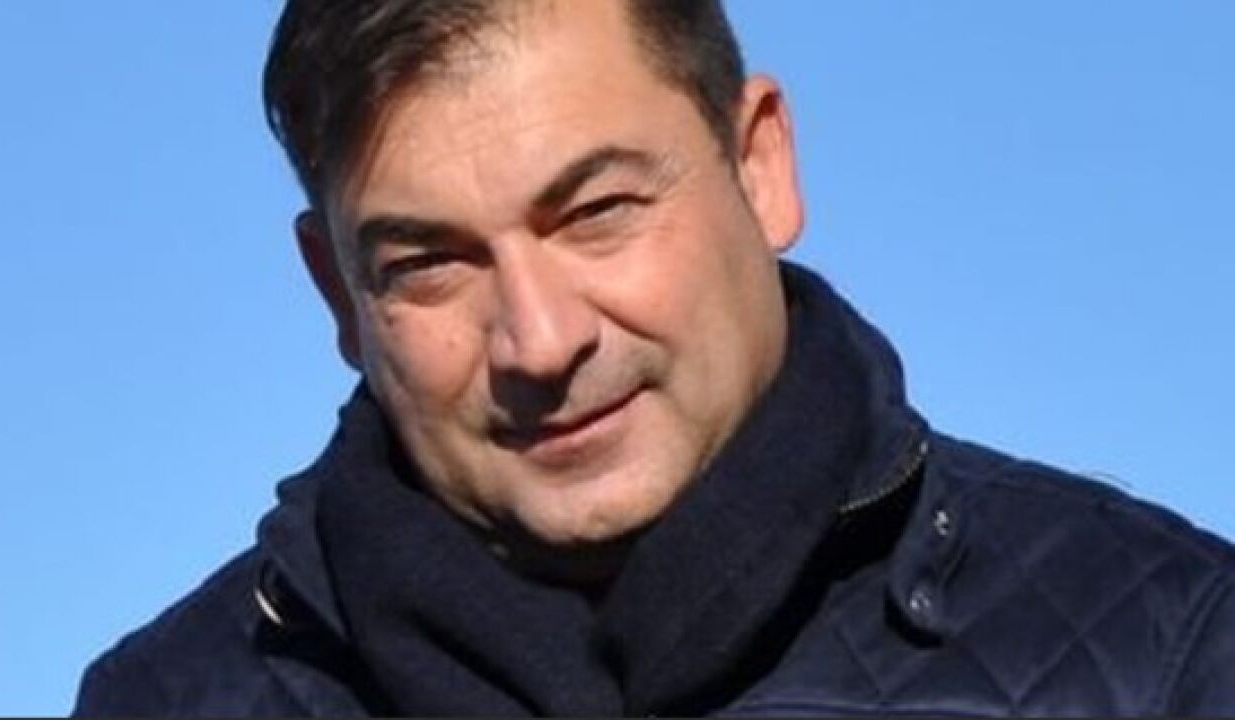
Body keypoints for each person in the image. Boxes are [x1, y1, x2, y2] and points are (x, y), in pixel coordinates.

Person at [74, 0, 1234, 716]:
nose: (539, 339)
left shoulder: (1159, 648)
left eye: (598, 212)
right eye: (430, 264)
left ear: (760, 168)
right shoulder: (165, 700)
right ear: (338, 291)